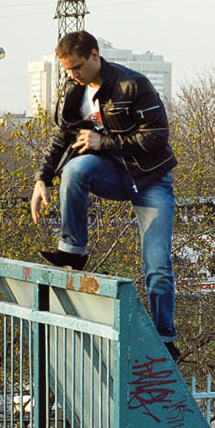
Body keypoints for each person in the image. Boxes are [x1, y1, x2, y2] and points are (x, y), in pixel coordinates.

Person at [29, 31, 180, 360]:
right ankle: (73, 249)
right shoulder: (74, 92)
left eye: (78, 67)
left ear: (95, 55)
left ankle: (165, 339)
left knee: (157, 264)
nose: (73, 75)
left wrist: (104, 143)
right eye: (68, 70)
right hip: (112, 176)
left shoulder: (132, 84)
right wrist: (42, 179)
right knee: (75, 170)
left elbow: (157, 137)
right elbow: (61, 139)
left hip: (150, 180)